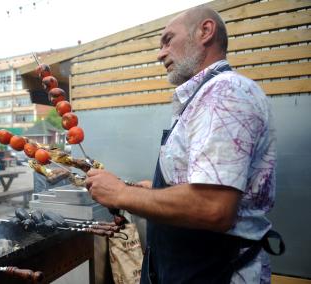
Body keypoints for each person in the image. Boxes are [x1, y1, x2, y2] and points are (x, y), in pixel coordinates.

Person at [86, 6, 282, 284]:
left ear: (205, 31)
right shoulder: (203, 97)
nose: (160, 53)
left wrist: (120, 194)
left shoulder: (225, 93)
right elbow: (200, 185)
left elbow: (214, 207)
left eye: (168, 40)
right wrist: (153, 191)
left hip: (217, 272)